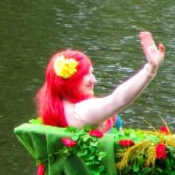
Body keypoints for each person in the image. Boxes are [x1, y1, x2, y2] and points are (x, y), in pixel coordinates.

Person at [36, 31, 165, 130]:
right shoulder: (81, 111)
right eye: (86, 74)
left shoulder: (58, 107)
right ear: (70, 80)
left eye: (92, 73)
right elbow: (118, 100)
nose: (94, 80)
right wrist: (150, 70)